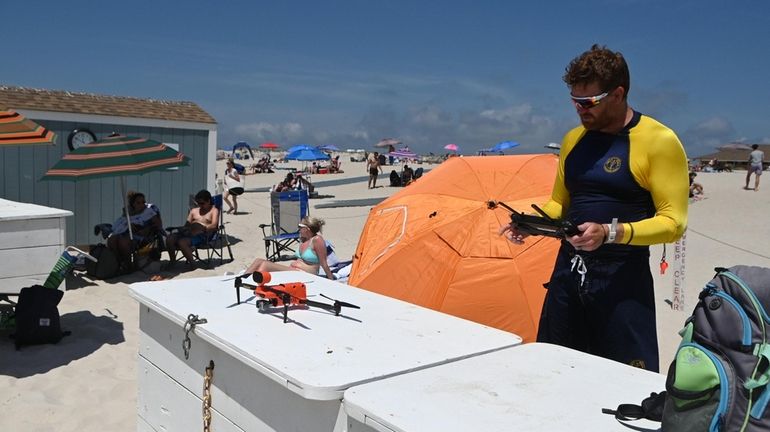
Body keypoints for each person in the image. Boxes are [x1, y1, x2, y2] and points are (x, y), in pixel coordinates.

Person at [499, 45, 688, 372]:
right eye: (574, 101)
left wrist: (611, 232)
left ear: (618, 94)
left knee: (624, 384)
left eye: (588, 102)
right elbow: (560, 204)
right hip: (567, 277)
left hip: (622, 283)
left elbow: (674, 223)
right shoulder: (574, 139)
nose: (579, 110)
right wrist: (530, 224)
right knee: (553, 370)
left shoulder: (659, 140)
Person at [245, 216, 334, 280]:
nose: (298, 229)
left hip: (306, 275)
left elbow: (324, 263)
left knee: (264, 265)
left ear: (307, 229)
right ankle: (242, 280)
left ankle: (247, 283)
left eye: (300, 227)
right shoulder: (303, 239)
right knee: (258, 261)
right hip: (295, 272)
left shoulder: (317, 240)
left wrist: (331, 281)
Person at [107, 190, 163, 271]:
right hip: (126, 233)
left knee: (123, 242)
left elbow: (158, 225)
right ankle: (118, 262)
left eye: (143, 202)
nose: (142, 204)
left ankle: (128, 265)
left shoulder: (148, 211)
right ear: (133, 204)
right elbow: (119, 225)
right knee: (111, 240)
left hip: (141, 236)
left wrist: (147, 228)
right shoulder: (128, 213)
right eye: (138, 203)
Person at [165, 189, 220, 270]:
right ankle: (172, 261)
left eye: (202, 203)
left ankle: (193, 264)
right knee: (169, 238)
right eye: (198, 203)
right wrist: (181, 229)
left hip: (203, 235)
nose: (200, 205)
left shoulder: (214, 210)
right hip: (189, 232)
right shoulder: (194, 211)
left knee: (182, 242)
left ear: (208, 201)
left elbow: (214, 225)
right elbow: (186, 225)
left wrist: (203, 229)